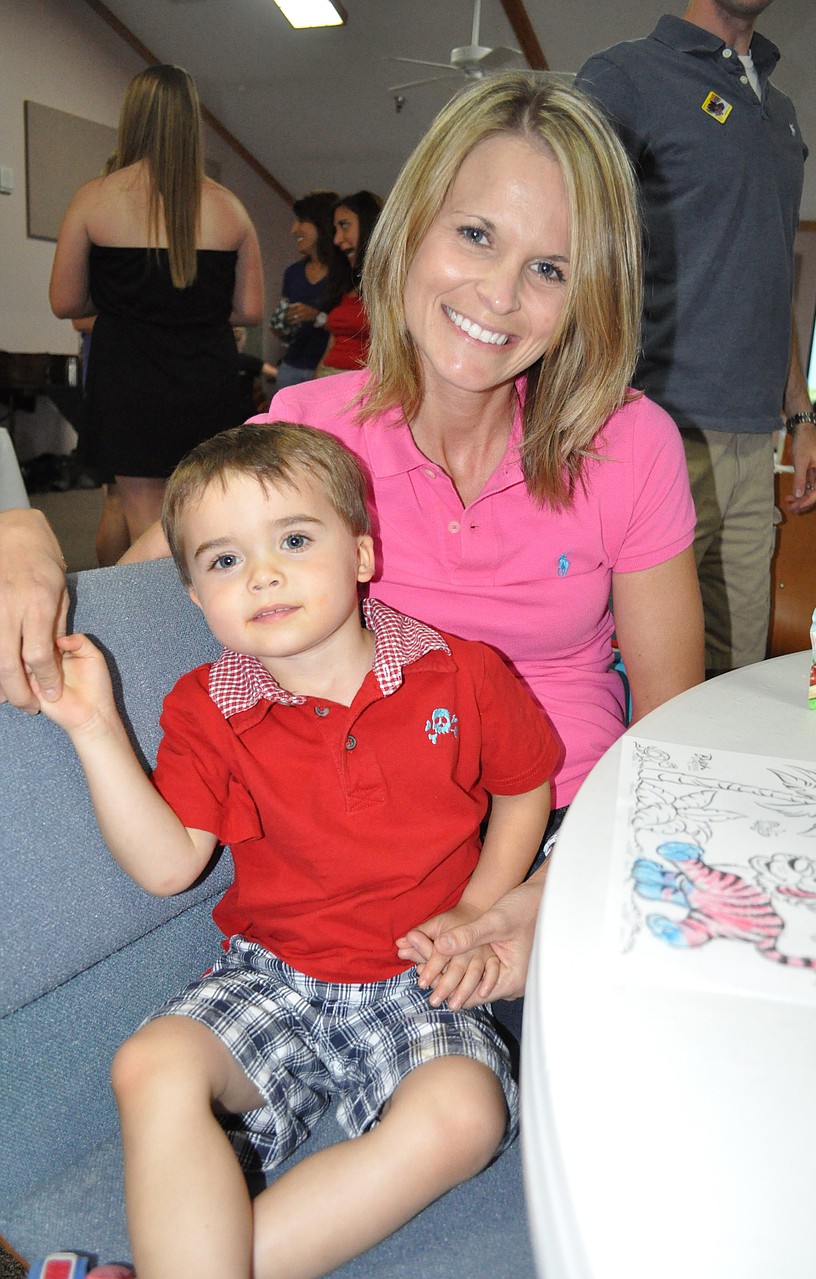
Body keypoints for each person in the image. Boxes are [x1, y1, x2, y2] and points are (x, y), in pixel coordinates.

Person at [0, 72, 704, 1003]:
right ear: (413, 227)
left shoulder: (630, 441)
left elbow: (669, 729)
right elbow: (150, 571)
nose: (498, 293)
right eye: (476, 234)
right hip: (374, 854)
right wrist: (22, 535)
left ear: (590, 294)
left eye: (551, 268)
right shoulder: (309, 432)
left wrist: (548, 891)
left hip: (567, 824)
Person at [32, 421, 558, 1278]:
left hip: (420, 979)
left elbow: (524, 786)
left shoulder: (463, 672)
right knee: (150, 1062)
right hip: (275, 975)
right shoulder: (205, 706)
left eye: (295, 540)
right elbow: (169, 865)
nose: (263, 574)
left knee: (466, 1113)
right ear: (195, 597)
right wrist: (94, 727)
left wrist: (479, 907)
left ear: (362, 553)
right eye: (224, 559)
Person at [576, 0, 816, 677]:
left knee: (734, 677)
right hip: (648, 429)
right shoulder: (625, 77)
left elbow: (771, 277)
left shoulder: (779, 111)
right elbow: (569, 242)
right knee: (638, 675)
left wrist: (801, 417)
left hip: (753, 445)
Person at [49, 64, 264, 542]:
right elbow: (249, 310)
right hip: (206, 376)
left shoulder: (94, 198)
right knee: (203, 513)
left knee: (145, 519)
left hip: (128, 374)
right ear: (192, 122)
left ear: (132, 118)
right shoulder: (229, 206)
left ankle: (155, 593)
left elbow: (65, 301)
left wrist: (129, 299)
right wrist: (188, 306)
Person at [271, 190, 339, 392]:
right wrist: (281, 324)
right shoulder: (293, 272)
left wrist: (316, 316)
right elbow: (284, 330)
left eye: (301, 221)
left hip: (330, 371)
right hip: (291, 368)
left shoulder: (344, 274)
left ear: (321, 224)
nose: (294, 229)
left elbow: (353, 325)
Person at [315, 191, 382, 376]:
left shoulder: (391, 289)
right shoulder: (347, 284)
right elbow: (333, 342)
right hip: (327, 378)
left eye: (344, 225)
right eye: (335, 230)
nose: (337, 239)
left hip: (364, 383)